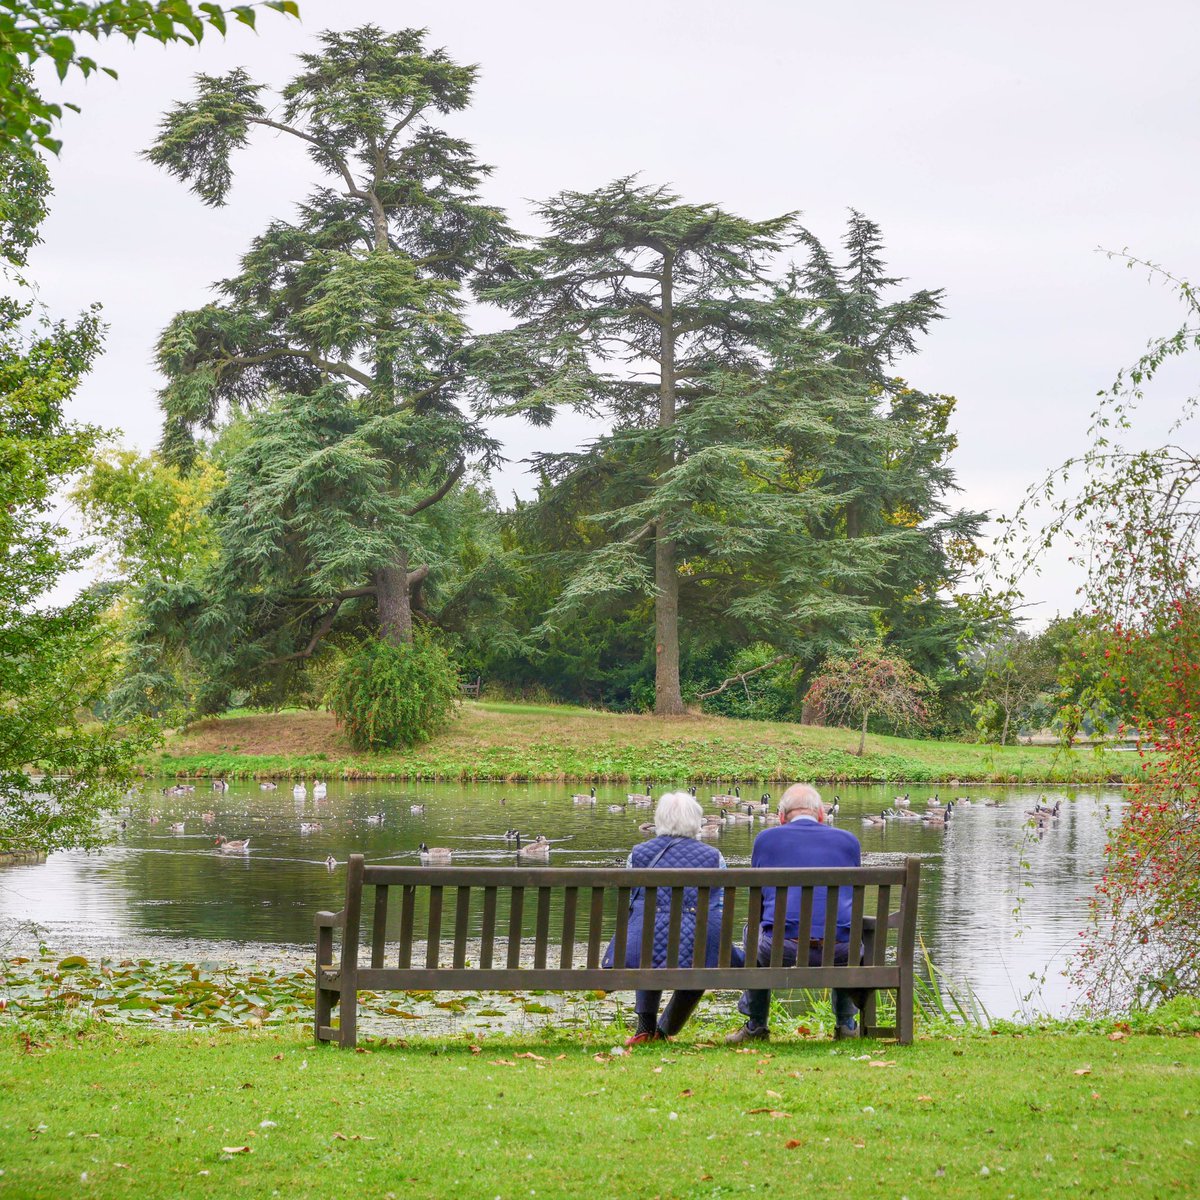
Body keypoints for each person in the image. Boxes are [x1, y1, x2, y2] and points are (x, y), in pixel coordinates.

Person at [726, 783, 863, 1045]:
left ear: (781, 817)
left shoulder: (765, 840)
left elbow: (759, 900)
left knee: (751, 930)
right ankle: (846, 1025)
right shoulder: (849, 841)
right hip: (840, 950)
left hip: (781, 948)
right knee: (845, 932)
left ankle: (756, 1026)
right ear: (821, 815)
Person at [602, 790, 727, 1046]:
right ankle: (665, 1028)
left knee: (649, 941)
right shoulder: (714, 857)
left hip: (646, 945)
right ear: (696, 820)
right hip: (697, 947)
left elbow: (631, 904)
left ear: (660, 819)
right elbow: (719, 907)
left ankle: (646, 1027)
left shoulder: (637, 854)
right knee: (699, 957)